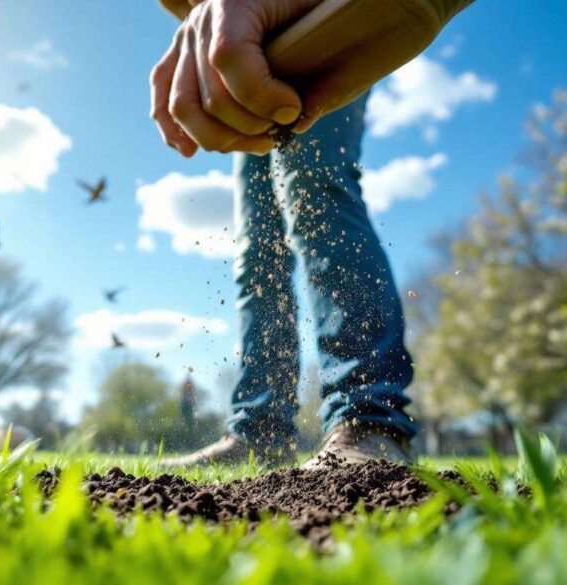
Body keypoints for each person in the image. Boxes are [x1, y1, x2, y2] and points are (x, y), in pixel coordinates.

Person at [152, 0, 473, 467]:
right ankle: (260, 430)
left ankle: (368, 419)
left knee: (314, 190)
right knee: (258, 245)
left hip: (324, 20)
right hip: (246, 43)